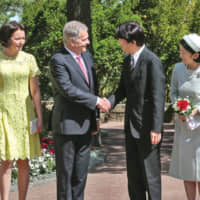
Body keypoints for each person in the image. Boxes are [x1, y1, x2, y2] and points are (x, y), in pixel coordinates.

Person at [49, 20, 110, 200]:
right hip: (67, 126)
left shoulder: (87, 57)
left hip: (86, 126)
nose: (88, 42)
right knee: (66, 176)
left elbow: (92, 88)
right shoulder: (58, 60)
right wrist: (97, 101)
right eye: (84, 39)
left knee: (81, 176)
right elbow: (68, 90)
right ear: (72, 41)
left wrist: (96, 117)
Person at [108, 21, 165, 200]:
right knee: (133, 177)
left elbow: (158, 96)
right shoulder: (127, 61)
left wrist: (156, 128)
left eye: (121, 39)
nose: (119, 42)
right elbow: (121, 90)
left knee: (151, 177)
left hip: (148, 129)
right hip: (130, 128)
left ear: (132, 42)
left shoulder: (152, 61)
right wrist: (107, 103)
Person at [0, 21, 43, 200]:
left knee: (24, 160)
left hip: (25, 113)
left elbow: (35, 90)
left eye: (23, 38)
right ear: (7, 38)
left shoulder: (29, 59)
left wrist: (40, 117)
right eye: (17, 38)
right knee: (6, 161)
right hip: (3, 113)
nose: (21, 42)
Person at [169, 33, 200, 200]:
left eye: (183, 52)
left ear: (195, 55)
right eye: (180, 51)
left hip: (199, 127)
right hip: (184, 127)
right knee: (188, 169)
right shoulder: (177, 68)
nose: (180, 55)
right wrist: (179, 108)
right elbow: (173, 92)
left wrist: (196, 110)